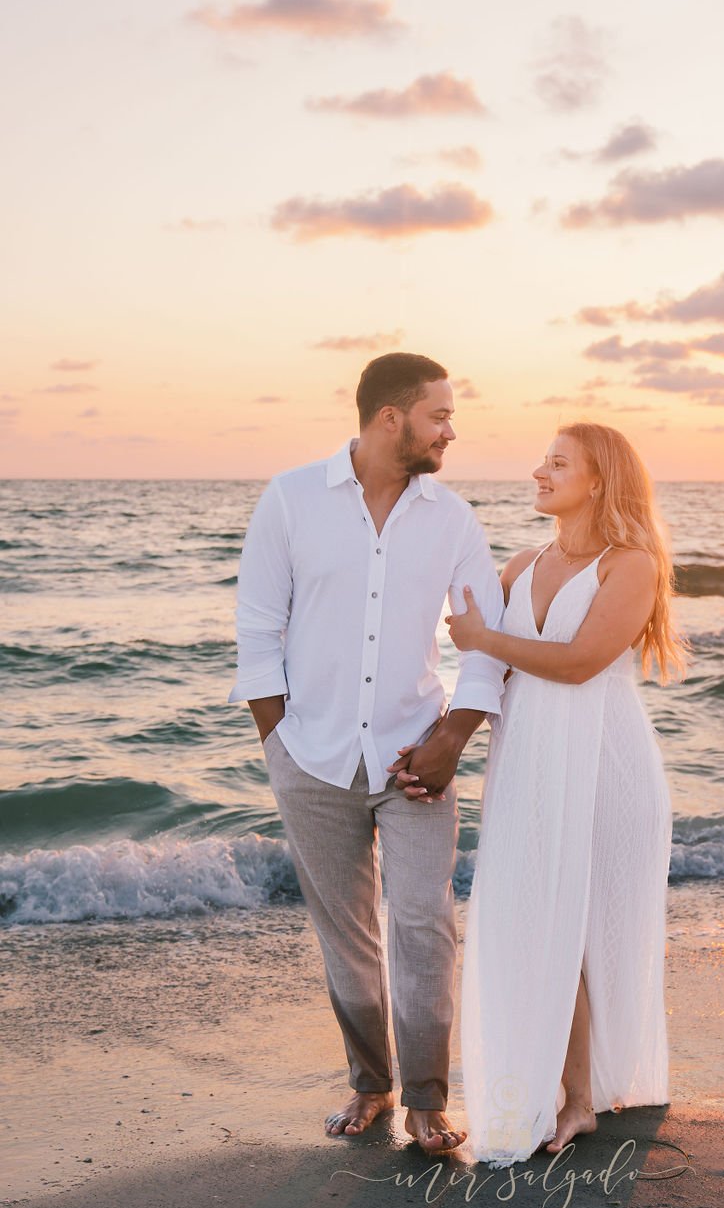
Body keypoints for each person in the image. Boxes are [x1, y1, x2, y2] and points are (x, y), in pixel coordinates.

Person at [228, 353, 506, 1155]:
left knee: (424, 922)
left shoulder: (451, 518)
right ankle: (370, 1082)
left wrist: (453, 736)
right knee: (345, 932)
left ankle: (425, 1096)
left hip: (414, 757)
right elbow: (257, 629)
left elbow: (482, 638)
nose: (451, 428)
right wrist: (278, 742)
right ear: (392, 417)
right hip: (310, 757)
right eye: (440, 415)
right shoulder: (290, 500)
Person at [446, 422, 685, 1166]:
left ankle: (579, 1098)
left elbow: (581, 662)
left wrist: (483, 639)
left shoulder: (631, 565)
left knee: (581, 927)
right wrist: (432, 737)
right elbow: (485, 667)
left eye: (557, 463)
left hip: (607, 766)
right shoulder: (521, 564)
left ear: (599, 480)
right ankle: (565, 1085)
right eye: (543, 459)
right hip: (528, 762)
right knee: (531, 913)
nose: (537, 472)